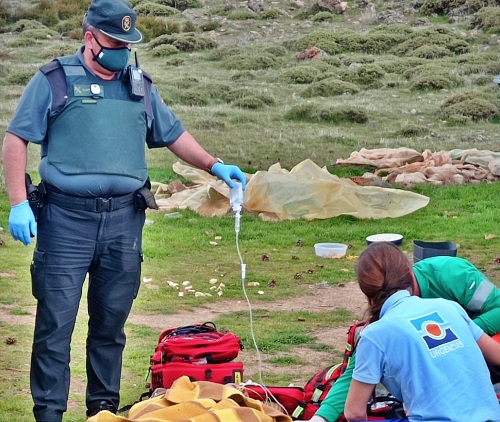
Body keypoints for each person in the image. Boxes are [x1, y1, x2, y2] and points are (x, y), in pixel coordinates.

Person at [1, 1, 246, 421]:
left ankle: (103, 411)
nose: (121, 51)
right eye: (114, 42)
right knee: (54, 327)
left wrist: (214, 164)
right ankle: (49, 413)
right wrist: (19, 203)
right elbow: (16, 139)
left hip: (123, 222)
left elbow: (173, 133)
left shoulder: (139, 85)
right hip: (65, 221)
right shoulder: (54, 80)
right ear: (89, 36)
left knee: (110, 326)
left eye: (128, 44)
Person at [297, 252, 500, 422]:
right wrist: (458, 334)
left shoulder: (376, 334)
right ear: (409, 272)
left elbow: (354, 413)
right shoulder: (449, 307)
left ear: (367, 294)